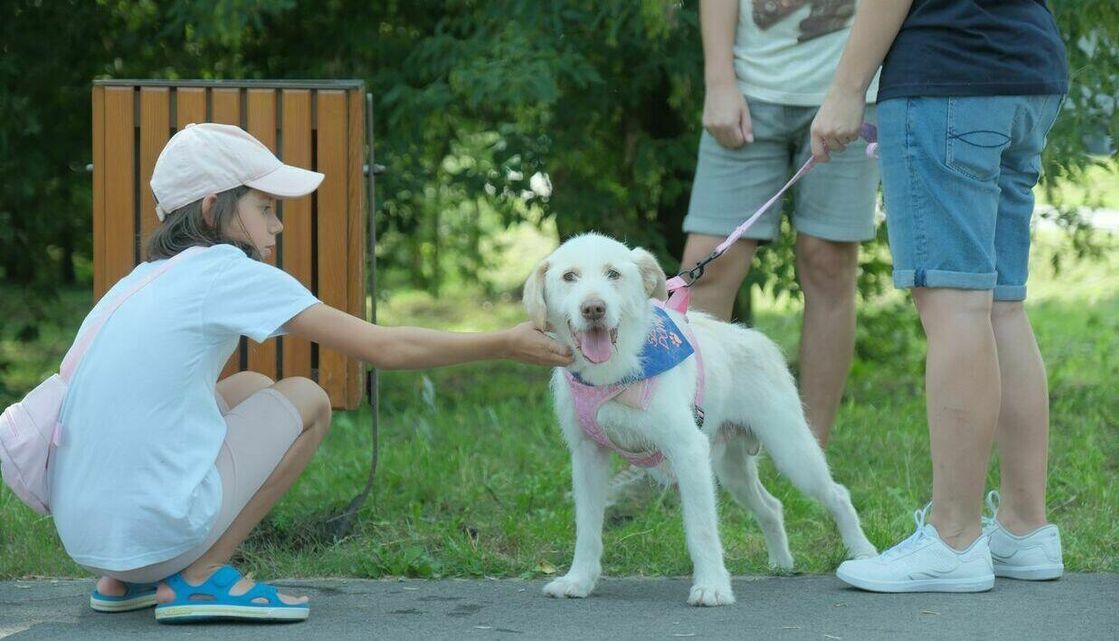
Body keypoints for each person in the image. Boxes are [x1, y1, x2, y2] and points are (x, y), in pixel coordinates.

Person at [51, 123, 573, 622]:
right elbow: (384, 346)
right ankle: (200, 574)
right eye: (265, 207)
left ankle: (128, 584)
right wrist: (503, 342)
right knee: (307, 400)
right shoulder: (225, 270)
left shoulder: (139, 281)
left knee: (252, 388)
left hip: (89, 542)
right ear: (213, 209)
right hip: (151, 536)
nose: (277, 224)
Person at [810, 0, 1068, 592]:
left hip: (949, 72)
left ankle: (954, 538)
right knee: (1001, 304)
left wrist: (846, 88)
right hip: (1027, 68)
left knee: (957, 308)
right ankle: (1026, 529)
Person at [606, 0, 879, 510]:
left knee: (828, 266)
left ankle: (806, 452)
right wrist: (718, 82)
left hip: (849, 87)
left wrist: (853, 90)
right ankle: (668, 449)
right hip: (750, 89)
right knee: (707, 265)